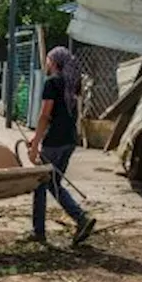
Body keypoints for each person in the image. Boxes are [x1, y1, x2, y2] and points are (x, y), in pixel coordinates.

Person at [27, 46, 96, 245]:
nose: (46, 63)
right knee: (52, 183)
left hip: (54, 143)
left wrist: (35, 144)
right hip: (68, 141)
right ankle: (73, 220)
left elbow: (46, 115)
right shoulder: (72, 84)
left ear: (54, 63)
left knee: (43, 184)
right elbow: (62, 118)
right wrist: (37, 137)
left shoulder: (52, 83)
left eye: (48, 60)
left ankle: (76, 218)